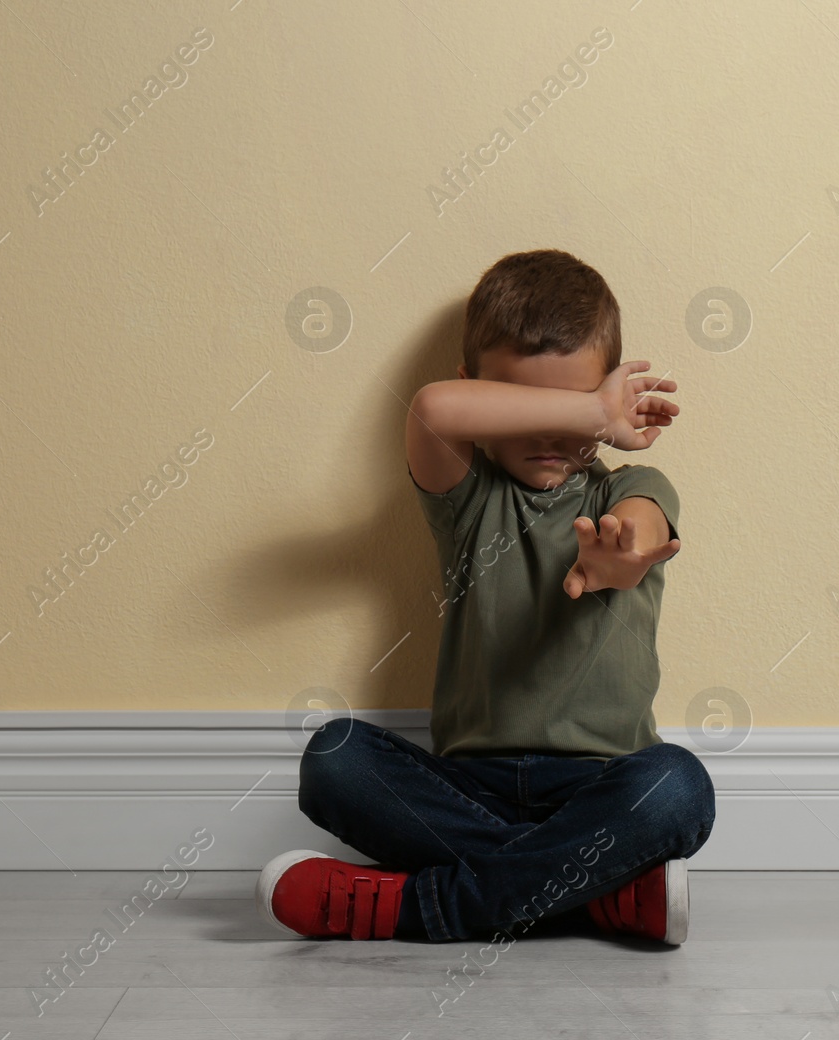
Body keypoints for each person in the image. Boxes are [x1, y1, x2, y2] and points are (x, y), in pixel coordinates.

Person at [257, 249, 716, 945]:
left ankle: (420, 908)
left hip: (601, 787)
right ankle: (587, 895)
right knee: (334, 759)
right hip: (465, 790)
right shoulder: (469, 502)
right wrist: (590, 407)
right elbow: (436, 407)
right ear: (483, 390)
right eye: (534, 404)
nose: (550, 433)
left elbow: (643, 533)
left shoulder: (624, 490)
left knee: (679, 787)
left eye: (581, 408)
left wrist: (622, 556)